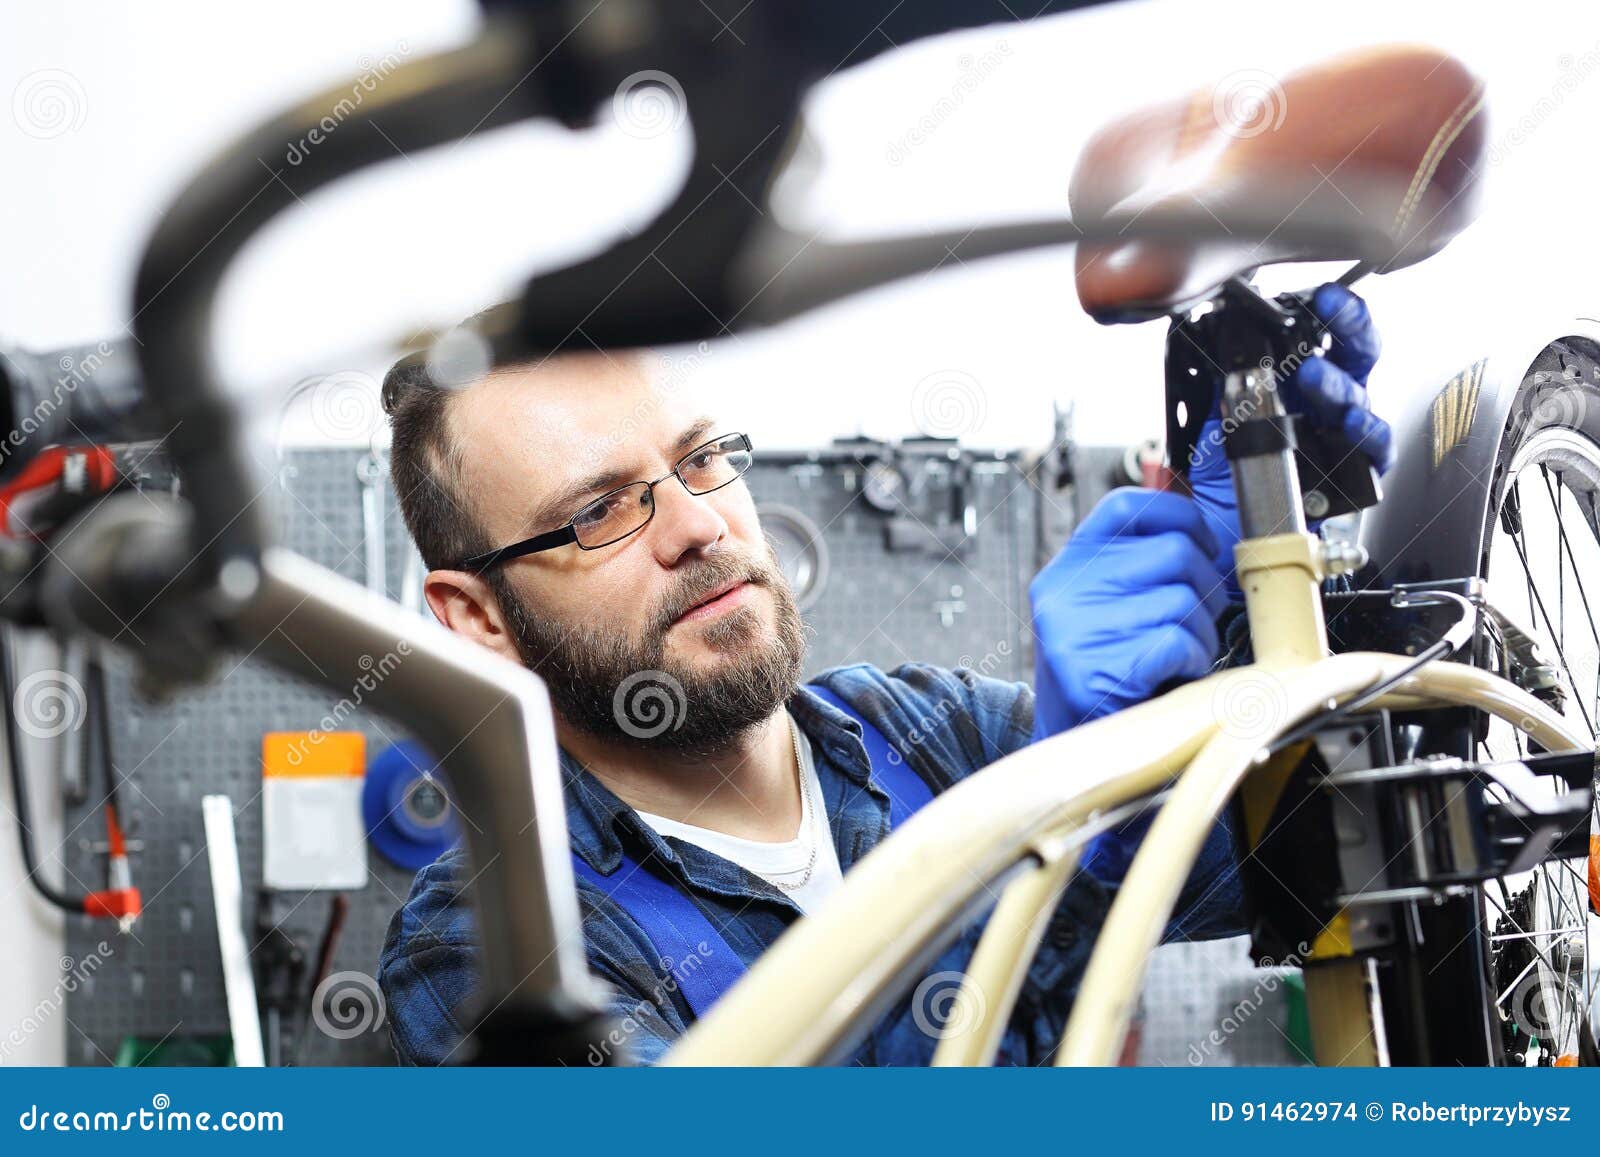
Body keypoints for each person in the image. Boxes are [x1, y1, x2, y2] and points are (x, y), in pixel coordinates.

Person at [377, 283, 1388, 1065]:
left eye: (701, 457)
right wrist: (1071, 846)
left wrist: (1276, 573)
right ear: (479, 617)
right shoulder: (485, 947)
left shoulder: (933, 732)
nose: (697, 524)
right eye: (599, 511)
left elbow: (1314, 855)